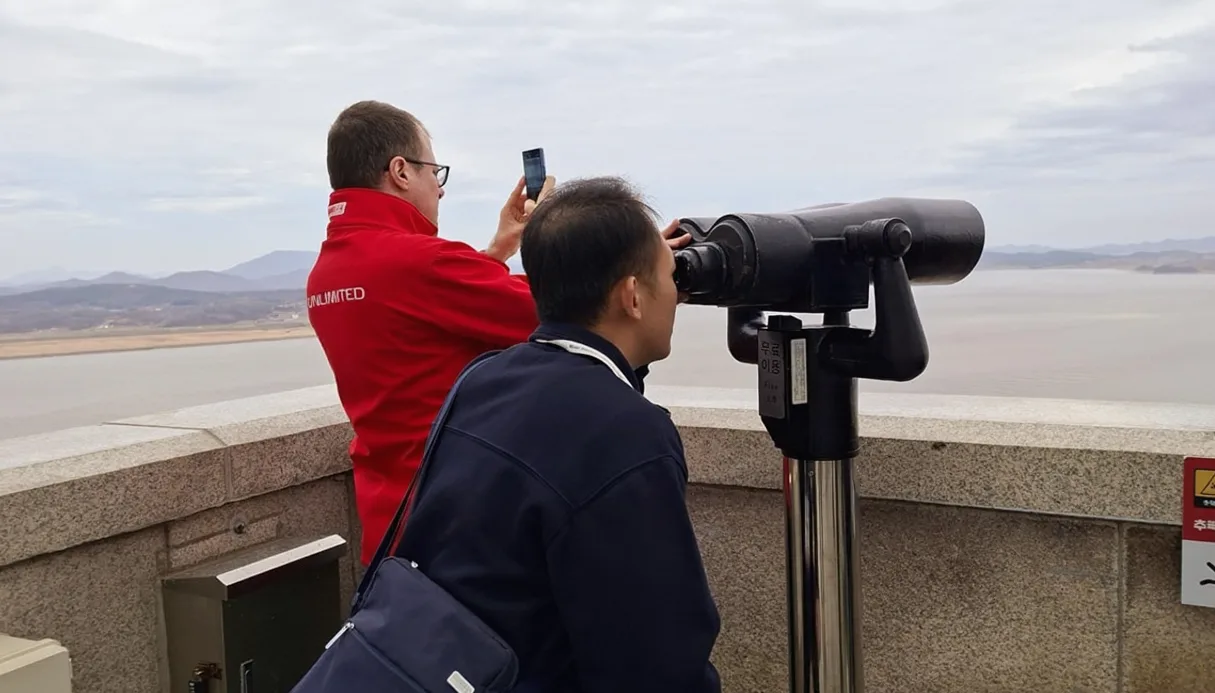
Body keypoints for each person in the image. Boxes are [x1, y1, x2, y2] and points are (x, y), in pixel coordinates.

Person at [394, 176, 722, 692]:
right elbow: (657, 662)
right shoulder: (626, 433)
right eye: (670, 275)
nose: (677, 294)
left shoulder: (483, 379)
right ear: (632, 296)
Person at [305, 99, 553, 566]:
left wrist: (496, 252)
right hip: (459, 522)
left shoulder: (327, 271)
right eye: (433, 173)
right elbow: (560, 310)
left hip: (389, 520)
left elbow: (422, 314)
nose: (439, 191)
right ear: (400, 171)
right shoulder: (419, 261)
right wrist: (631, 266)